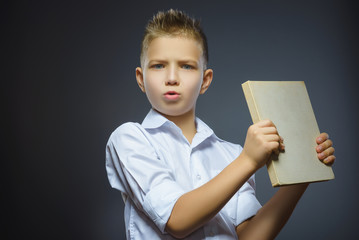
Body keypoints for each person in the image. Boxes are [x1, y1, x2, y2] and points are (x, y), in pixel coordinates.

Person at [105, 9, 335, 240]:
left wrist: (302, 175)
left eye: (186, 66)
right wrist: (248, 161)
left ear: (205, 80)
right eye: (158, 66)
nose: (172, 77)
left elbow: (251, 237)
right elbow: (177, 219)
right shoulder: (128, 138)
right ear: (140, 79)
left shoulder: (232, 154)